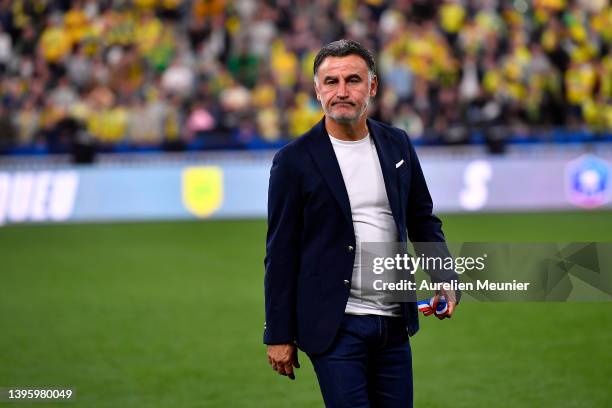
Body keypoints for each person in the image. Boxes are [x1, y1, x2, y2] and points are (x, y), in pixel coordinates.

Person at [264, 39, 457, 407]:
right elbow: (280, 252)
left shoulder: (397, 144)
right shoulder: (293, 161)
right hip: (336, 326)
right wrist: (278, 333)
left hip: (394, 321)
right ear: (317, 90)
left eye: (352, 80)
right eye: (331, 82)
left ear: (372, 86)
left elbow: (422, 220)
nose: (341, 91)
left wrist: (445, 278)